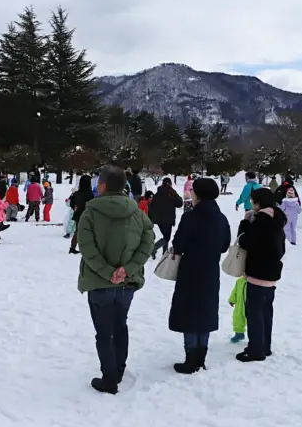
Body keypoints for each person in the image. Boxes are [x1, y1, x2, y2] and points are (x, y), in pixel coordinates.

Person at [77, 165, 154, 394]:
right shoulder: (138, 213)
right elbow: (147, 243)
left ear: (102, 186)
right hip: (126, 284)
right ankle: (118, 368)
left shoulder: (90, 213)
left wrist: (107, 272)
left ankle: (109, 377)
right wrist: (127, 270)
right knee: (120, 325)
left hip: (100, 284)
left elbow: (87, 249)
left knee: (104, 331)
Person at [167, 178, 231, 374]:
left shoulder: (190, 217)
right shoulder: (221, 218)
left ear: (198, 194)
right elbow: (224, 246)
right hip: (210, 271)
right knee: (205, 313)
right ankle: (201, 358)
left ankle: (190, 359)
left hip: (190, 271)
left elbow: (179, 245)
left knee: (189, 314)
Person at [235, 188, 286, 362]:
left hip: (258, 272)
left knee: (254, 311)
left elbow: (246, 241)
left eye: (252, 201)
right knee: (266, 311)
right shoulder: (277, 219)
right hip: (272, 272)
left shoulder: (261, 221)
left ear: (258, 203)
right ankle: (265, 346)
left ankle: (256, 349)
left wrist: (245, 223)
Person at [148, 177, 183, 259]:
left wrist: (151, 217)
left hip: (158, 219)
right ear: (170, 184)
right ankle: (153, 248)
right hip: (168, 219)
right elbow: (179, 203)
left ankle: (165, 252)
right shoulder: (171, 192)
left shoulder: (157, 194)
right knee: (167, 237)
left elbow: (151, 206)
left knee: (165, 236)